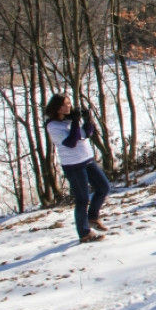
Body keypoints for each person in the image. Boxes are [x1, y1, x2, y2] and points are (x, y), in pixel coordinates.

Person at [44, 94, 111, 243]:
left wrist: (88, 120)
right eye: (66, 104)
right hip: (73, 166)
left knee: (104, 187)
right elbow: (71, 142)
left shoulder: (69, 120)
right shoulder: (53, 126)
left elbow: (87, 133)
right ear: (58, 108)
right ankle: (84, 233)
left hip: (87, 160)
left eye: (69, 103)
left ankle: (92, 217)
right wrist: (75, 122)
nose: (70, 106)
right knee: (82, 199)